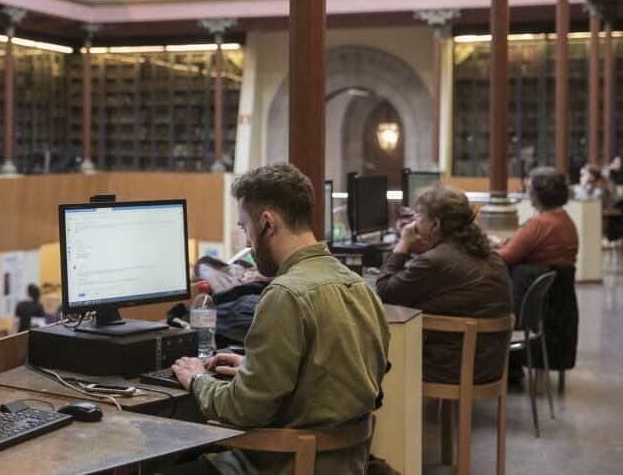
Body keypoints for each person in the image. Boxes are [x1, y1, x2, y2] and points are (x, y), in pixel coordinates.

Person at [168, 163, 390, 475]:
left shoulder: (284, 295)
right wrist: (253, 368)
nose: (247, 244)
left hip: (287, 464)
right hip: (349, 464)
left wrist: (198, 380)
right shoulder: (361, 288)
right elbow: (333, 384)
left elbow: (242, 409)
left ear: (267, 222)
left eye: (246, 228)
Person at [375, 183, 512, 385]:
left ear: (435, 224)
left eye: (419, 214)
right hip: (487, 363)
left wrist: (403, 242)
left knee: (376, 357)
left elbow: (384, 291)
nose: (414, 219)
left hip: (452, 367)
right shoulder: (484, 252)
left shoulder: (436, 260)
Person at [496, 166, 579, 380]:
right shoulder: (563, 219)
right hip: (556, 303)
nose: (527, 194)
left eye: (529, 190)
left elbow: (506, 257)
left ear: (537, 195)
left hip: (536, 307)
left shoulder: (541, 223)